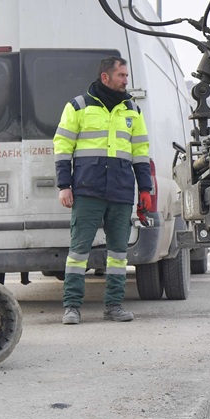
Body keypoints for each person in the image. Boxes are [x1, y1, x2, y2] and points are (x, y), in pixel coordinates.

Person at [53, 56, 153, 325]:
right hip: (88, 190)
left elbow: (140, 153)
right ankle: (72, 306)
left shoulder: (132, 110)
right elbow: (63, 147)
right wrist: (64, 185)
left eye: (126, 75)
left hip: (121, 191)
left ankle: (114, 306)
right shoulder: (78, 106)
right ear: (106, 77)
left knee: (119, 254)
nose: (126, 80)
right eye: (121, 75)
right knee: (78, 253)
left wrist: (145, 189)